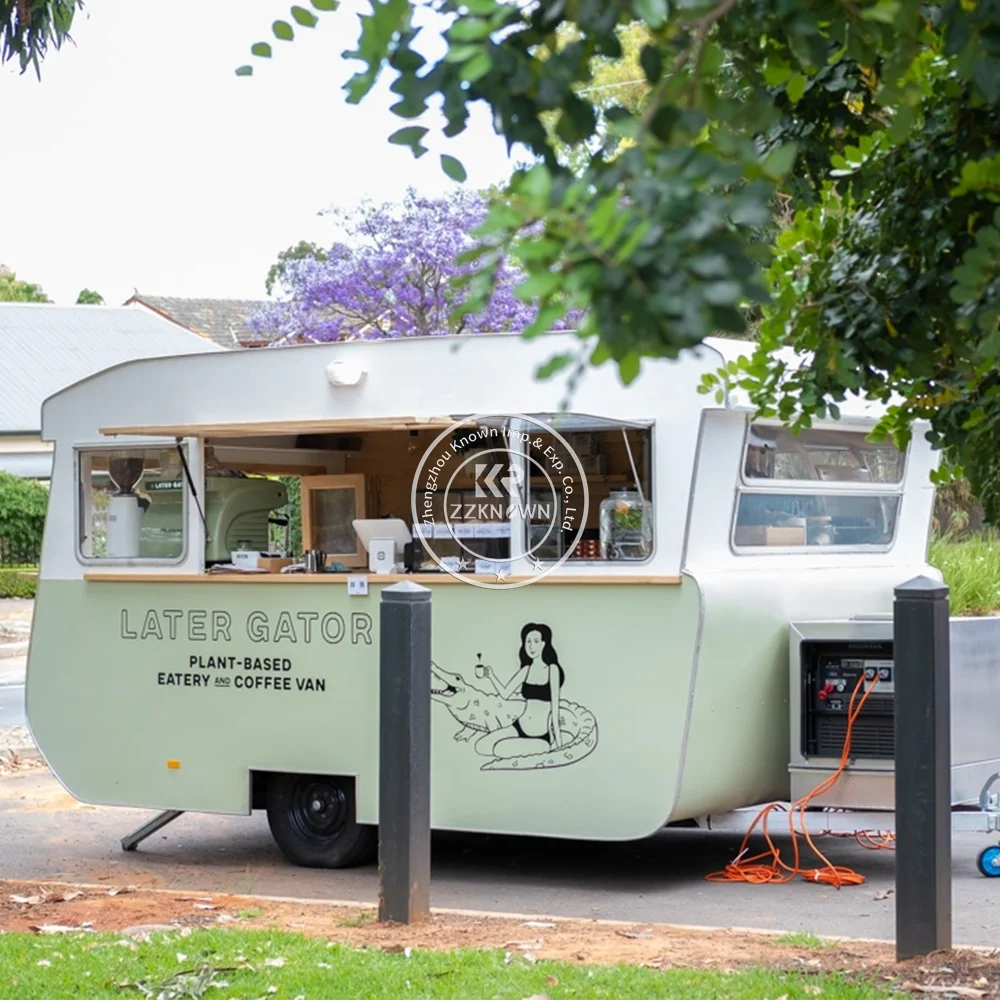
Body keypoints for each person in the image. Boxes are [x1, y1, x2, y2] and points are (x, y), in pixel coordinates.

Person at [475, 623, 565, 759]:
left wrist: (560, 747)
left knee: (499, 749)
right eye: (527, 641)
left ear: (543, 644)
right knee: (481, 746)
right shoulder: (526, 670)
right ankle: (517, 745)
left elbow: (555, 710)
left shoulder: (552, 670)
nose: (531, 646)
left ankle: (540, 747)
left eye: (535, 641)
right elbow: (505, 694)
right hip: (519, 727)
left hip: (540, 735)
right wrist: (491, 676)